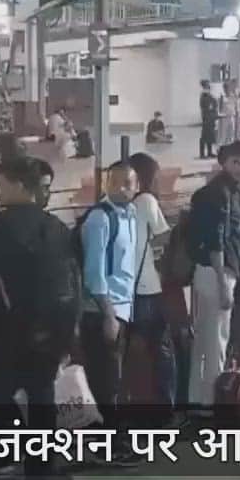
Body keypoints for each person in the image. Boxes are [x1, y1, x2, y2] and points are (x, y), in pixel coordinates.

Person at [0, 157, 78, 480]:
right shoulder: (58, 228)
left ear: (19, 185)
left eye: (1, 183)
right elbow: (73, 282)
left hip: (9, 333)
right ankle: (38, 474)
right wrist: (65, 335)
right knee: (41, 401)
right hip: (50, 333)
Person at [186, 141, 240, 400]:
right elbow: (217, 239)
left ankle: (198, 399)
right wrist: (224, 283)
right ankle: (213, 403)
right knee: (217, 344)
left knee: (204, 343)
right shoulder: (222, 194)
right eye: (236, 162)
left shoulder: (215, 192)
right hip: (219, 273)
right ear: (223, 162)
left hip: (207, 272)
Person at [79, 161, 141, 464]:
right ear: (105, 184)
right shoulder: (100, 219)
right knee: (105, 381)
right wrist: (108, 314)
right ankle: (107, 446)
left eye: (127, 183)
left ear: (137, 186)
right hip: (104, 311)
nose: (121, 188)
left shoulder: (130, 215)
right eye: (115, 182)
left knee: (113, 381)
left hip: (123, 309)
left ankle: (113, 441)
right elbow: (94, 273)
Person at [127, 153, 180, 419]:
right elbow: (164, 237)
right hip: (149, 286)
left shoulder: (120, 204)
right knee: (161, 348)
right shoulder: (146, 201)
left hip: (126, 289)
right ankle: (165, 409)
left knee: (132, 350)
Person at [198, 80, 219, 159]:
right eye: (207, 85)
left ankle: (209, 152)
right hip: (207, 118)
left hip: (211, 118)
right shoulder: (204, 96)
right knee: (204, 136)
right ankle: (202, 154)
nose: (208, 87)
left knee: (210, 136)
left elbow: (214, 103)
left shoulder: (208, 95)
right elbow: (208, 107)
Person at [218, 80, 240, 145]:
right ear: (223, 89)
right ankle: (221, 148)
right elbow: (219, 109)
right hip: (224, 118)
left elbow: (236, 108)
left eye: (227, 87)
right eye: (225, 88)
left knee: (231, 134)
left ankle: (230, 149)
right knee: (223, 134)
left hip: (232, 117)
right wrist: (221, 116)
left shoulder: (233, 97)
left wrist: (237, 117)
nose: (226, 89)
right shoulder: (222, 97)